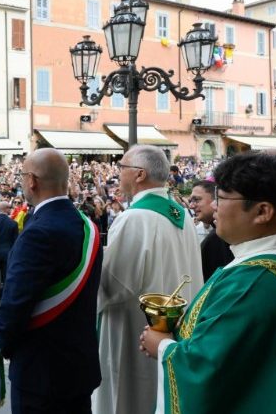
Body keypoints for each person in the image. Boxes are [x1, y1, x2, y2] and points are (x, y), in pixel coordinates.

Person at [140, 151, 276, 413]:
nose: (214, 206)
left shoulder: (254, 280)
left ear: (262, 211)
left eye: (222, 198)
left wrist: (162, 345)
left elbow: (208, 370)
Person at [95, 145, 203, 414]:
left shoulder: (135, 218)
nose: (118, 174)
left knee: (129, 397)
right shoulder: (182, 214)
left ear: (139, 174)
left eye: (122, 167)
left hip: (135, 333)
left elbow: (114, 286)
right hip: (174, 330)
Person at [0, 148, 102, 413]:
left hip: (42, 374)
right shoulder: (85, 224)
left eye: (21, 176)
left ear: (32, 180)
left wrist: (5, 345)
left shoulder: (39, 232)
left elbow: (15, 303)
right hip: (79, 366)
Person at [190, 180, 233, 281]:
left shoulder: (223, 236)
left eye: (196, 200)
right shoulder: (217, 235)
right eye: (190, 201)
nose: (191, 206)